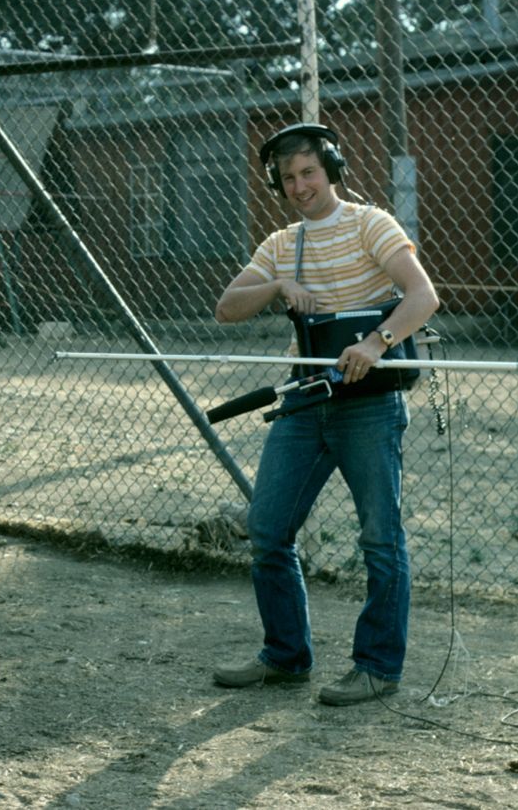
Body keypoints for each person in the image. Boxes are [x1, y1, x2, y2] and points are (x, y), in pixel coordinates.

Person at [210, 122, 439, 706]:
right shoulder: (281, 244)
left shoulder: (371, 224)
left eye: (308, 171)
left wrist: (375, 343)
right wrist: (277, 286)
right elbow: (226, 308)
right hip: (305, 400)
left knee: (380, 539)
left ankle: (377, 668)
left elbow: (422, 296)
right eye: (287, 178)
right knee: (268, 529)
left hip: (370, 405)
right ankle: (286, 657)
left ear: (331, 169)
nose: (299, 186)